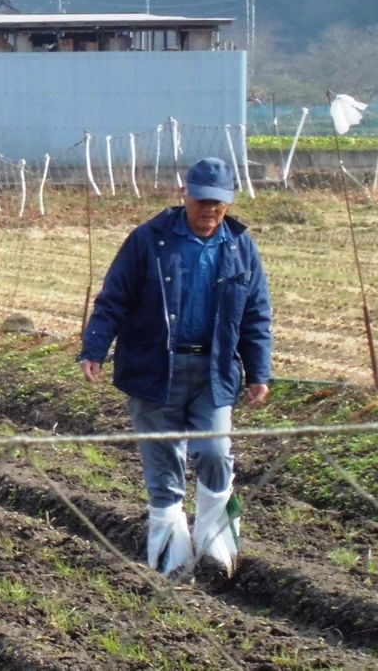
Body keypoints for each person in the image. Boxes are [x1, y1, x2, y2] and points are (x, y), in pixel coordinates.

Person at [78, 157, 272, 580]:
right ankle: (170, 559)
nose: (210, 211)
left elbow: (256, 314)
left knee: (217, 451)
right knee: (164, 463)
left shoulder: (240, 247)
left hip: (214, 369)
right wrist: (95, 347)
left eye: (218, 204)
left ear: (229, 203)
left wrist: (259, 372)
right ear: (184, 194)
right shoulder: (149, 240)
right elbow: (115, 298)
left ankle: (216, 546)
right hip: (154, 368)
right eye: (202, 201)